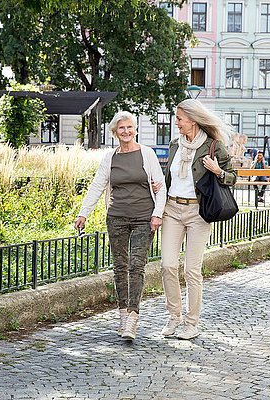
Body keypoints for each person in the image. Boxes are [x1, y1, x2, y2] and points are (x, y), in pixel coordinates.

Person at [74, 111, 166, 341]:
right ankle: (122, 313)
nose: (126, 131)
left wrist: (157, 214)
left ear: (135, 129)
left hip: (144, 217)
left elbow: (160, 186)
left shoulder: (147, 154)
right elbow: (97, 185)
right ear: (115, 132)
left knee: (137, 266)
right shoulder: (110, 158)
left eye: (130, 127)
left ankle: (133, 316)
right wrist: (83, 213)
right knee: (119, 266)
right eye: (121, 128)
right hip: (116, 217)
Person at [160, 99, 237, 340]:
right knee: (167, 265)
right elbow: (168, 178)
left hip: (198, 213)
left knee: (191, 270)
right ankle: (174, 316)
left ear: (192, 120)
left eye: (179, 118)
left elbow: (232, 178)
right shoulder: (175, 145)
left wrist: (217, 170)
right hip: (172, 209)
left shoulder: (214, 146)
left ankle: (191, 323)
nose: (176, 122)